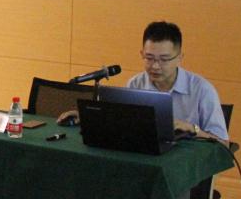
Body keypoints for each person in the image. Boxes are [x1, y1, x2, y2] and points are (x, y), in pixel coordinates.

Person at [57, 21, 228, 140]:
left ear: (180, 58)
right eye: (149, 58)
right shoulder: (135, 84)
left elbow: (223, 144)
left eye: (164, 59)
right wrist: (87, 117)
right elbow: (119, 121)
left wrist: (192, 129)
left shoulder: (202, 90)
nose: (155, 66)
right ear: (141, 54)